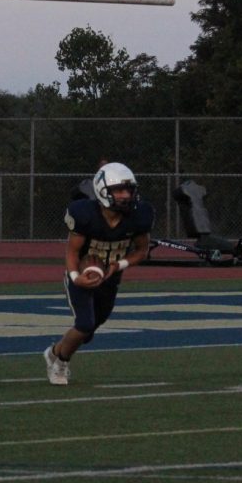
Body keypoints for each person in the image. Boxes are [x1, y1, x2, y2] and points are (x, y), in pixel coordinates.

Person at [44, 162, 154, 385]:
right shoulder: (85, 214)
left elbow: (142, 251)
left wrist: (119, 265)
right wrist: (76, 278)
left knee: (89, 331)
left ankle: (54, 351)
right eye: (119, 190)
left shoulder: (139, 215)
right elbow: (72, 252)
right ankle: (60, 363)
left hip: (110, 278)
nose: (125, 195)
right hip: (82, 276)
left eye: (128, 190)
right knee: (84, 324)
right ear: (103, 191)